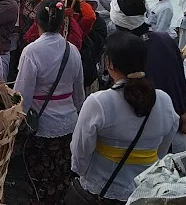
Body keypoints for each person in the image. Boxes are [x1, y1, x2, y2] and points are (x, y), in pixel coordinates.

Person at [69, 31, 179, 204]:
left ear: (109, 64)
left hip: (103, 188)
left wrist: (82, 172)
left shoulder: (99, 102)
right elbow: (162, 150)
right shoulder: (164, 100)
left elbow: (80, 151)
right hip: (143, 191)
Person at [15, 0, 84, 204]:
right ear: (64, 23)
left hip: (41, 126)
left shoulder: (32, 52)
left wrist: (16, 123)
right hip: (68, 123)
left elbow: (22, 97)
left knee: (38, 180)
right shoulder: (73, 50)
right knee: (61, 177)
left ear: (37, 21)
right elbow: (79, 94)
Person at [109, 0, 186, 153]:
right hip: (175, 128)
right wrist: (183, 110)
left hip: (146, 141)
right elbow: (180, 78)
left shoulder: (122, 50)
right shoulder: (165, 39)